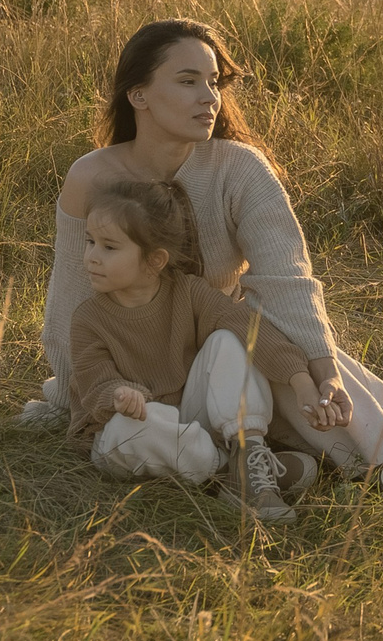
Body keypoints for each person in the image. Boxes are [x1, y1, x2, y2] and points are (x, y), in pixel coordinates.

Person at [32, 17, 383, 532]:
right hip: (138, 381)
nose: (209, 96)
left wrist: (324, 371)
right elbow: (72, 301)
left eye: (215, 81)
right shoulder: (95, 176)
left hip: (226, 368)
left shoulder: (239, 167)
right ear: (139, 95)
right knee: (265, 375)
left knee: (267, 343)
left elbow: (285, 278)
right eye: (188, 80)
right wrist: (74, 401)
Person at [64, 180, 316, 525]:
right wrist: (119, 394)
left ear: (154, 260)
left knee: (230, 337)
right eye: (90, 242)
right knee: (129, 429)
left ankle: (249, 449)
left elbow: (249, 328)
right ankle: (236, 475)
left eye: (109, 247)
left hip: (190, 417)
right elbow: (93, 379)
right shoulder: (88, 318)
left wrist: (299, 380)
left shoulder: (188, 292)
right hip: (125, 429)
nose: (92, 256)